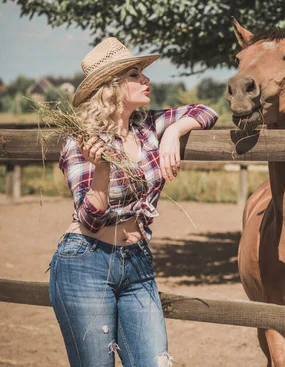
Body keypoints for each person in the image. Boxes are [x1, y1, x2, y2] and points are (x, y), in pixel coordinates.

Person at [49, 37, 218, 367]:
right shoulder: (82, 141)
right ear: (112, 87)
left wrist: (174, 132)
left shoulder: (148, 126)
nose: (147, 80)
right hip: (86, 262)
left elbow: (206, 111)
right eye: (136, 74)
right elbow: (91, 219)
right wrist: (101, 168)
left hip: (137, 261)